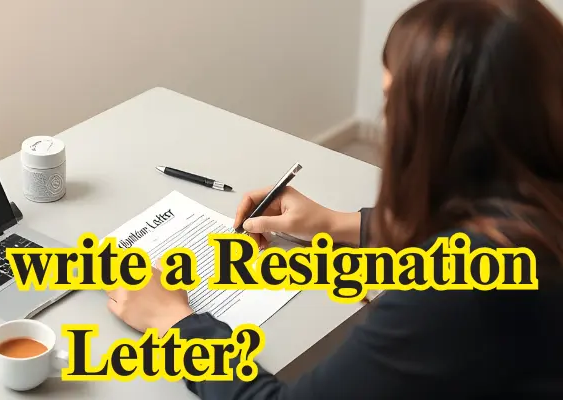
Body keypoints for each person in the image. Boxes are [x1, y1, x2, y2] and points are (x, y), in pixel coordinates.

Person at [106, 0, 563, 398]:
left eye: (392, 100)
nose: (387, 120)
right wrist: (340, 225)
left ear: (440, 130)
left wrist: (174, 322)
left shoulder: (457, 293)